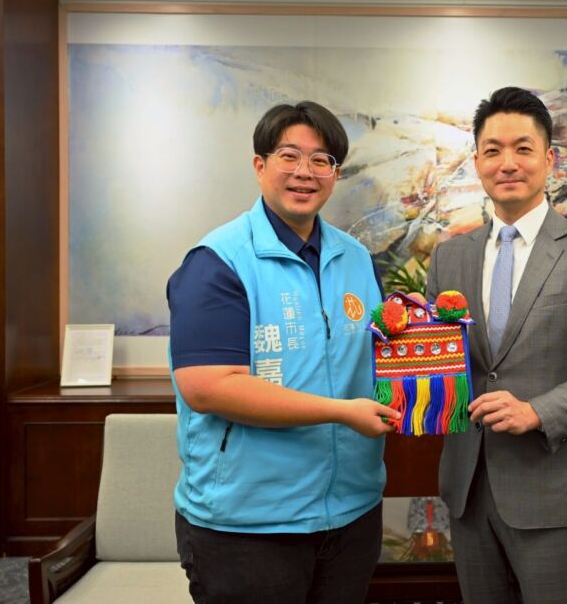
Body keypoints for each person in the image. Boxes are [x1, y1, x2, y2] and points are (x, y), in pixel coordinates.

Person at [167, 101, 400, 604]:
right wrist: (341, 412)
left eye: (321, 160)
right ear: (260, 165)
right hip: (248, 526)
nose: (304, 172)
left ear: (335, 174)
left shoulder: (356, 258)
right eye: (289, 156)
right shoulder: (218, 262)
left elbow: (376, 354)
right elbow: (208, 387)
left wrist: (422, 346)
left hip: (352, 513)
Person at [425, 86, 567, 603]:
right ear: (477, 163)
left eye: (523, 148)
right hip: (467, 490)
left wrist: (537, 411)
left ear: (549, 160)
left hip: (552, 493)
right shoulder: (449, 258)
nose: (507, 163)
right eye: (493, 150)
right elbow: (442, 362)